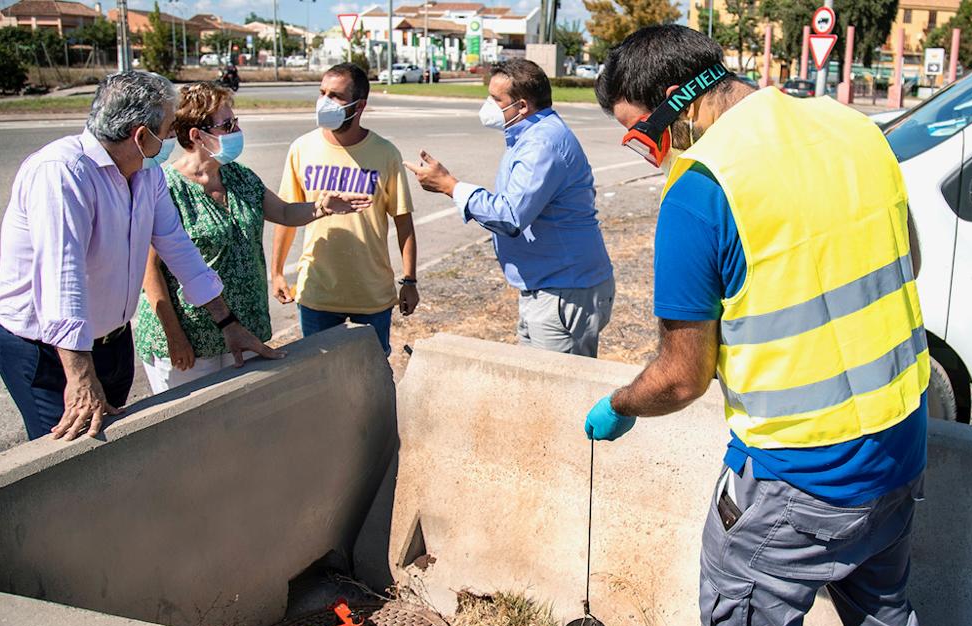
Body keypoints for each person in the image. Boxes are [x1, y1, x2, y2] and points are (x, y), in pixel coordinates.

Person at [584, 26, 931, 626]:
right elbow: (903, 259)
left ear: (673, 102)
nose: (653, 155)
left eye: (642, 134)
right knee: (887, 624)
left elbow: (682, 375)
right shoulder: (852, 129)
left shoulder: (703, 190)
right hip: (896, 448)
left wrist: (621, 403)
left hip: (793, 479)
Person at [0, 71, 282, 442]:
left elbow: (179, 249)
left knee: (109, 453)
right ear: (141, 136)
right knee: (70, 458)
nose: (169, 141)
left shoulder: (146, 176)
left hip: (111, 344)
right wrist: (80, 376)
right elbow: (63, 281)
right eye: (164, 131)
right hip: (51, 354)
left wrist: (228, 324)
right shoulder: (62, 174)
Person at [134, 81, 371, 393]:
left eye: (236, 122)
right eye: (227, 124)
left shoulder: (240, 177)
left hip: (242, 331)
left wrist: (322, 207)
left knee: (237, 428)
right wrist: (174, 336)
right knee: (193, 434)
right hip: (190, 343)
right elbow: (149, 270)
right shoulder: (165, 187)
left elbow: (284, 213)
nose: (236, 130)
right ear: (197, 135)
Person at [405, 59, 615, 357]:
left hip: (562, 290)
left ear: (522, 105)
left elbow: (511, 216)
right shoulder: (530, 135)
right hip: (549, 286)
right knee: (537, 386)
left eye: (495, 99)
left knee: (554, 391)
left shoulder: (542, 143)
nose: (488, 105)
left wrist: (451, 186)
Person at [271, 63, 419, 355]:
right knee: (320, 375)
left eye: (336, 96)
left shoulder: (385, 153)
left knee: (372, 375)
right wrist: (277, 271)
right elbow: (287, 214)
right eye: (322, 93)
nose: (325, 101)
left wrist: (410, 280)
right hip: (317, 292)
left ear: (359, 105)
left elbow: (404, 223)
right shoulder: (302, 148)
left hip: (371, 293)